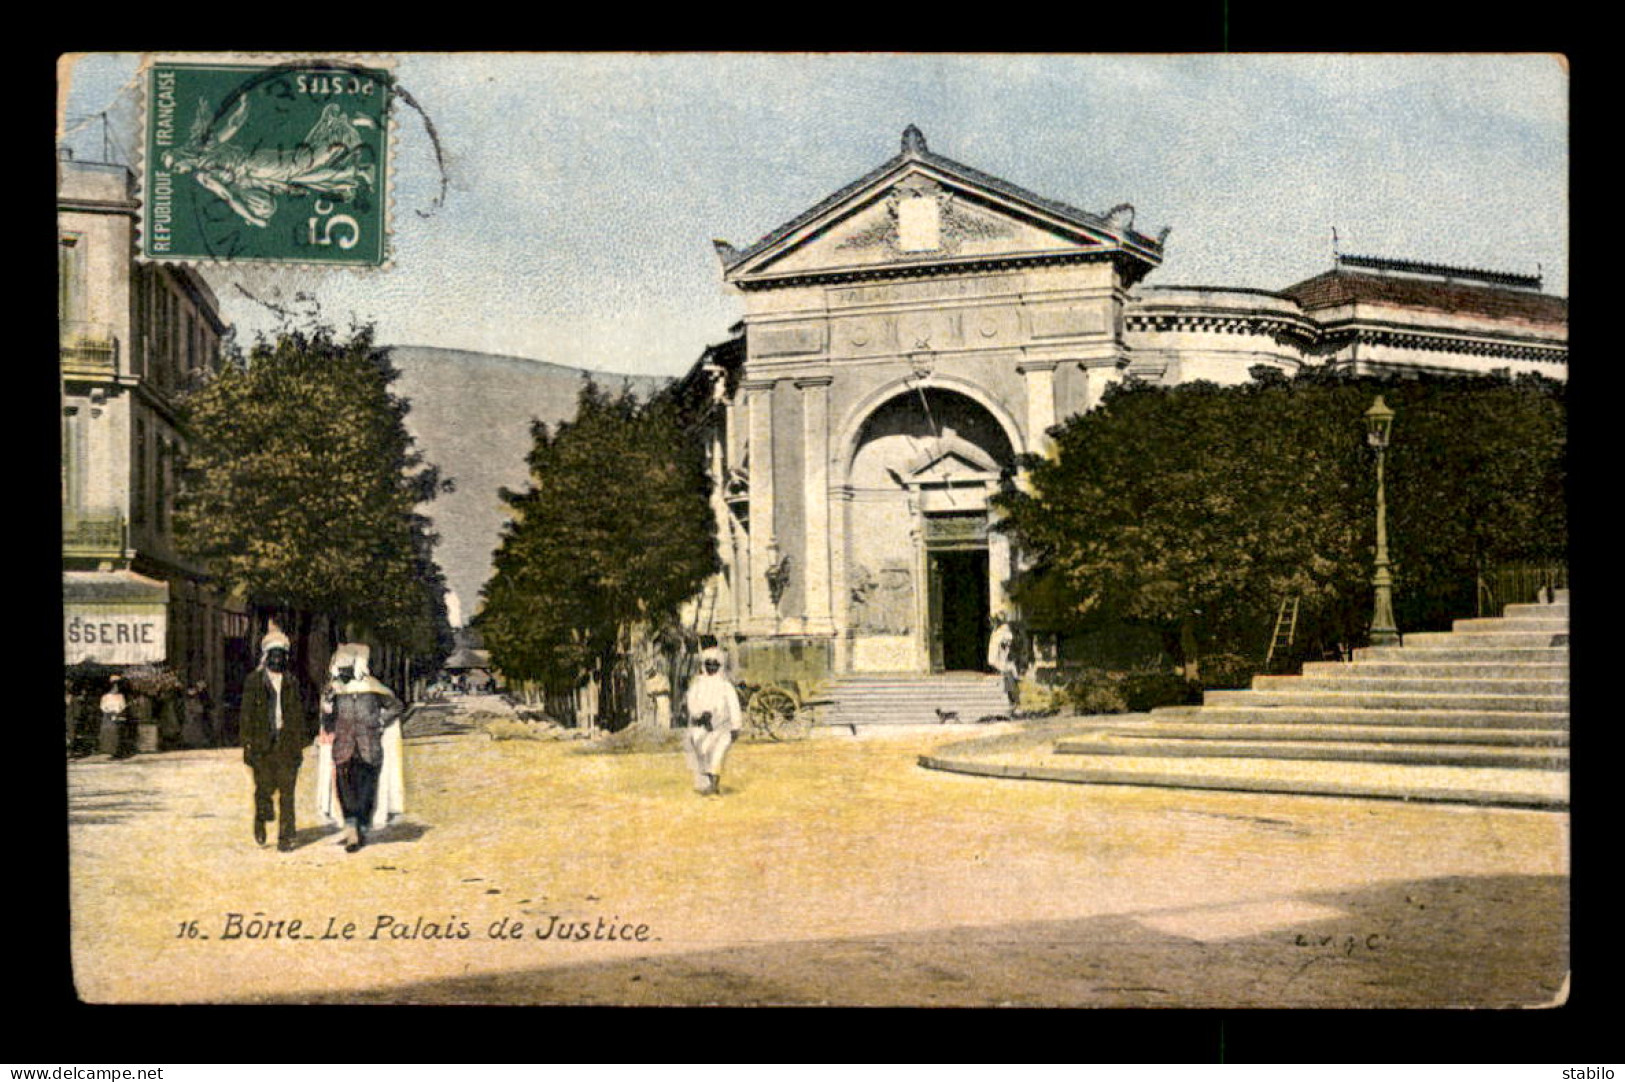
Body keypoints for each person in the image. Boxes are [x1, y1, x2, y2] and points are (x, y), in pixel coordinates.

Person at [322, 643, 403, 853]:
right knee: (345, 788)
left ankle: (360, 823)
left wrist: (381, 721)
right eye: (341, 670)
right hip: (343, 747)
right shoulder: (334, 690)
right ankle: (351, 828)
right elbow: (327, 720)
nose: (343, 675)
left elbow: (396, 706)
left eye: (347, 670)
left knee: (366, 790)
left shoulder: (372, 688)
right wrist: (327, 708)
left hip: (369, 747)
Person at [239, 627, 313, 852]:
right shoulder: (254, 681)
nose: (278, 659)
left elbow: (303, 712)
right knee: (264, 788)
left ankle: (286, 837)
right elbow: (246, 715)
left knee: (287, 792)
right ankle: (261, 817)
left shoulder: (293, 681)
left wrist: (302, 741)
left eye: (282, 655)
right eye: (274, 655)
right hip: (263, 745)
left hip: (287, 744)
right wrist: (247, 743)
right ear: (266, 657)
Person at [682, 646, 744, 797]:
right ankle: (709, 783)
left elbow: (734, 706)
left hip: (722, 728)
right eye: (708, 663)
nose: (711, 667)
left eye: (714, 664)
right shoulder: (697, 685)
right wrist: (700, 715)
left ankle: (714, 786)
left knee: (718, 754)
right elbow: (691, 703)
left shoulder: (725, 686)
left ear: (719, 665)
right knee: (703, 753)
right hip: (701, 728)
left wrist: (736, 726)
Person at [987, 614, 1018, 705]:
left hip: (1002, 659)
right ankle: (1009, 699)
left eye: (994, 622)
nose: (992, 624)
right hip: (997, 659)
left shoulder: (1004, 631)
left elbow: (1007, 644)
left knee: (1007, 676)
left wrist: (1004, 647)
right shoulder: (996, 631)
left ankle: (1011, 699)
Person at [97, 675, 127, 757]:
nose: (116, 689)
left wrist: (117, 712)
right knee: (108, 733)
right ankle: (109, 751)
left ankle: (116, 752)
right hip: (107, 717)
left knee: (116, 734)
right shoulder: (105, 697)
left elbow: (123, 706)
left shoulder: (120, 696)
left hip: (117, 716)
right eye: (115, 687)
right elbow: (102, 707)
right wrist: (109, 712)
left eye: (117, 687)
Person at [182, 682, 215, 748]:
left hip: (203, 716)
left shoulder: (203, 695)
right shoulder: (192, 698)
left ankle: (204, 741)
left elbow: (210, 704)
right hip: (196, 716)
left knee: (204, 728)